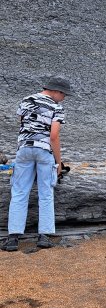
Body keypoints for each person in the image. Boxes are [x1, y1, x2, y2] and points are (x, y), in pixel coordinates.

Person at [2, 76, 71, 252]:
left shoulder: (26, 100)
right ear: (57, 91)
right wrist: (58, 162)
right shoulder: (57, 107)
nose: (64, 98)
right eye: (64, 95)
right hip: (44, 151)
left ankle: (13, 238)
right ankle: (44, 236)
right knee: (46, 193)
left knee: (19, 192)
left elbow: (23, 124)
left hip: (24, 150)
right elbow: (54, 136)